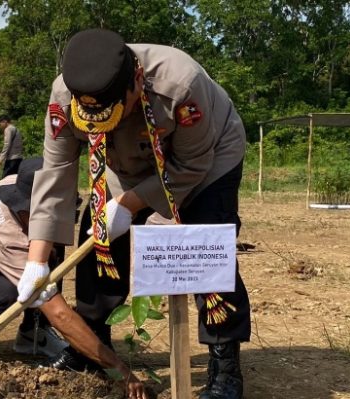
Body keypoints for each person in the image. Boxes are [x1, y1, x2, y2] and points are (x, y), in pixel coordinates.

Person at [18, 29, 249, 399]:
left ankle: (225, 365)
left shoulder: (179, 84)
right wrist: (36, 260)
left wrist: (127, 205)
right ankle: (90, 350)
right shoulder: (65, 95)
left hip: (207, 161)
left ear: (136, 83)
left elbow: (191, 166)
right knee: (97, 243)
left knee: (205, 250)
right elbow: (55, 177)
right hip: (124, 165)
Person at [0, 158, 148, 399]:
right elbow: (59, 313)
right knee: (10, 293)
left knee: (49, 252)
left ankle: (32, 334)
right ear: (26, 209)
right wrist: (119, 369)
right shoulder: (10, 239)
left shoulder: (14, 182)